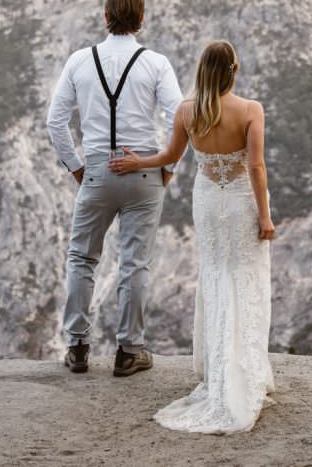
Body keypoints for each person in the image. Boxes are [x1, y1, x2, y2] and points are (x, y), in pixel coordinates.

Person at [109, 40, 276, 434]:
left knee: (217, 276)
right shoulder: (251, 110)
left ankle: (218, 372)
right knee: (244, 279)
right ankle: (243, 373)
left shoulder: (188, 111)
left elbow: (170, 156)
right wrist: (265, 217)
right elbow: (256, 167)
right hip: (240, 202)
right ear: (234, 69)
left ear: (202, 69)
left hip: (207, 202)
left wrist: (139, 161)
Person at [46, 0, 183, 377]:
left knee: (81, 257)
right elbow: (182, 120)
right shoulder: (155, 63)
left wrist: (77, 167)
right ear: (141, 20)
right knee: (134, 262)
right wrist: (167, 167)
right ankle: (129, 350)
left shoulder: (79, 61)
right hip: (144, 170)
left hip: (97, 171)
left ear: (106, 15)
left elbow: (55, 123)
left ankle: (77, 347)